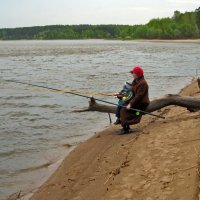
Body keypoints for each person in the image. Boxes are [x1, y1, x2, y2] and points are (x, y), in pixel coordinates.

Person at [120, 66, 150, 134]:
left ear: (137, 74)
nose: (132, 74)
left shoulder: (143, 83)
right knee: (123, 105)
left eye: (133, 73)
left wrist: (130, 104)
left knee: (124, 110)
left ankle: (125, 129)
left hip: (142, 103)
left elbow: (138, 96)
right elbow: (131, 91)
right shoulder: (135, 81)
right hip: (136, 101)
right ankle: (126, 126)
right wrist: (120, 94)